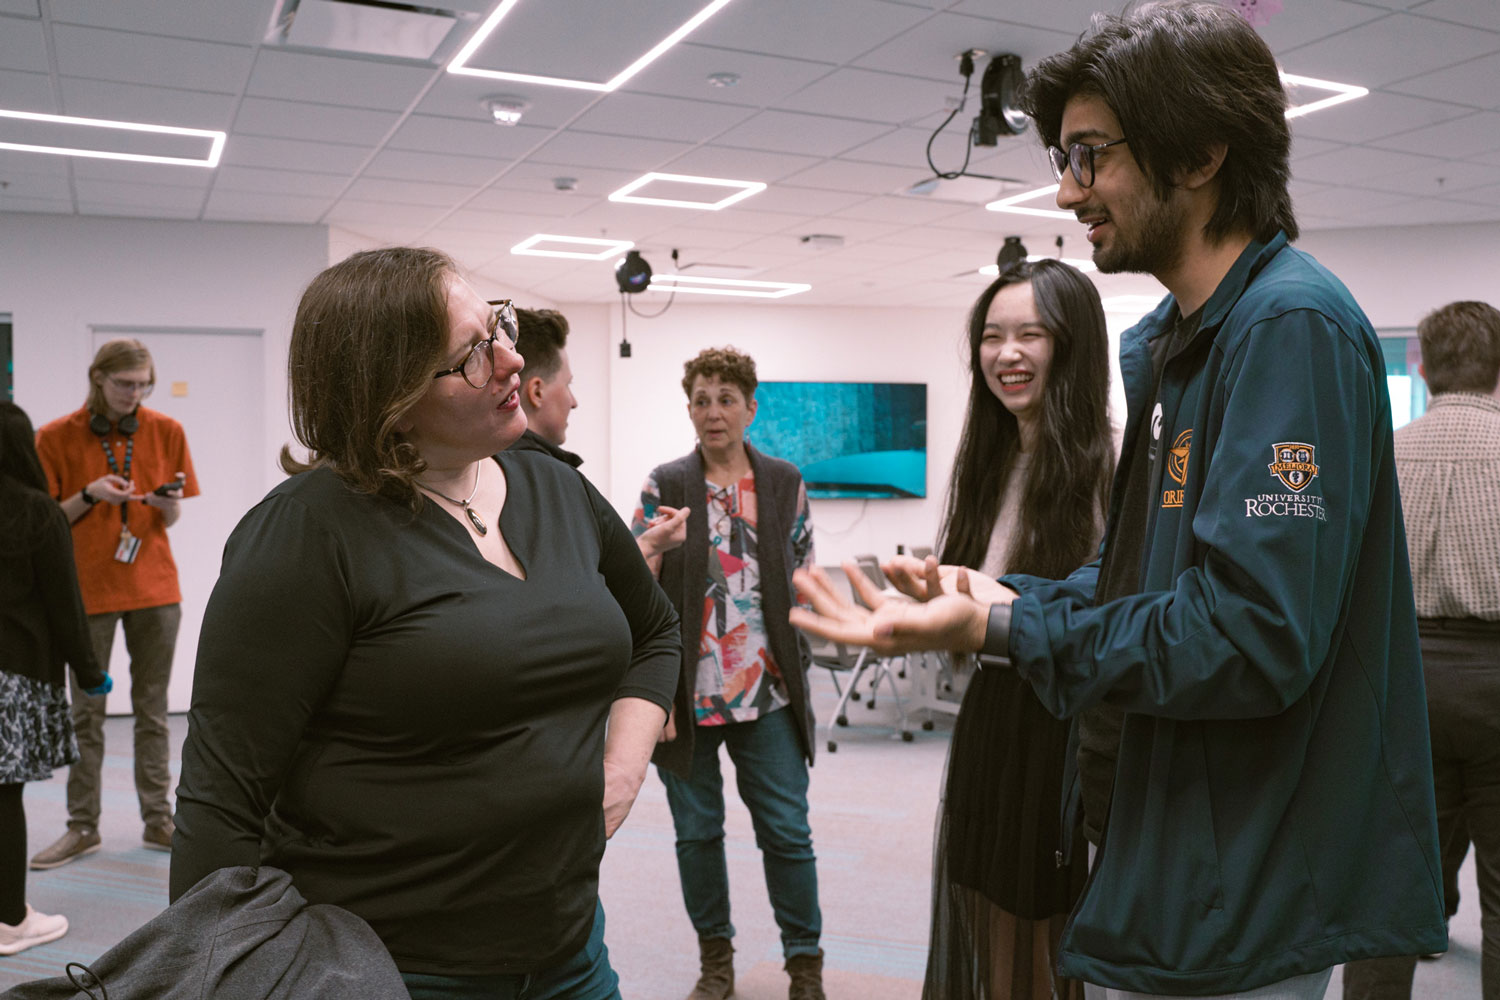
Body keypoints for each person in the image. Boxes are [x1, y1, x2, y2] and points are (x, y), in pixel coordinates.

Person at [789, 3, 1446, 996]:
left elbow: (1249, 634)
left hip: (1241, 883)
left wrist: (1004, 628)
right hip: (1174, 857)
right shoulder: (1182, 345)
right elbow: (1138, 577)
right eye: (1064, 155)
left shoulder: (1287, 328)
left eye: (1090, 157)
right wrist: (1003, 603)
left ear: (1200, 155)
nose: (1066, 191)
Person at [169, 247, 680, 1000]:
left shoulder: (555, 489)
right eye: (472, 355)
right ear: (388, 393)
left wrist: (622, 769)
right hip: (388, 969)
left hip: (569, 948)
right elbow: (221, 803)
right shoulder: (307, 536)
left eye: (496, 328)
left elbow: (655, 630)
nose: (511, 361)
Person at [923, 259, 1112, 1000]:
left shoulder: (1109, 465)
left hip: (1058, 728)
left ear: (1072, 346)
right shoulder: (991, 459)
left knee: (1042, 931)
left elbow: (1104, 619)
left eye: (1030, 334)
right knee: (986, 915)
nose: (1007, 354)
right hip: (991, 720)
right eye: (992, 336)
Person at [632, 347, 825, 1000]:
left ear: (750, 406)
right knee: (697, 836)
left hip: (767, 693)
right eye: (701, 400)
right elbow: (637, 577)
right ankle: (716, 963)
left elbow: (801, 573)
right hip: (689, 696)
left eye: (726, 398)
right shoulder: (666, 483)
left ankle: (806, 966)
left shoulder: (781, 481)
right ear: (689, 409)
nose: (713, 412)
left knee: (788, 836)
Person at [1343, 300, 1500, 1000]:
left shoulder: (1378, 454)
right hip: (1497, 689)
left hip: (1399, 690)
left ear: (1421, 365)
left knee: (1390, 890)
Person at [30, 339, 198, 869]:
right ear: (97, 378)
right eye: (125, 384)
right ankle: (83, 826)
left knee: (153, 712)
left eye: (143, 384)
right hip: (87, 592)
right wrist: (92, 494)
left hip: (154, 590)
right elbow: (45, 521)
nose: (135, 394)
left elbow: (172, 518)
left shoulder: (167, 430)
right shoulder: (54, 437)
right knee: (87, 713)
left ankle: (157, 821)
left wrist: (167, 507)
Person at [0, 403, 112, 956]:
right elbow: (65, 607)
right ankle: (9, 920)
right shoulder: (35, 513)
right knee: (3, 796)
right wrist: (90, 674)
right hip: (14, 677)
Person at [506, 306, 583, 468]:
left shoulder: (476, 468)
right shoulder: (554, 482)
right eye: (568, 385)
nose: (574, 402)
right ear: (537, 392)